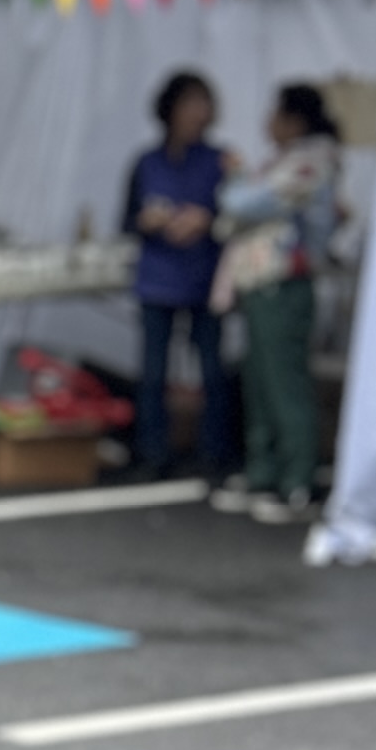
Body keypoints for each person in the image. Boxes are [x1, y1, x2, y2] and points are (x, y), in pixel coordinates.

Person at [210, 81, 343, 525]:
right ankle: (263, 472)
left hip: (285, 285)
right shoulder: (285, 161)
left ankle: (297, 480)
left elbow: (245, 205)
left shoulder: (312, 162)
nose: (268, 121)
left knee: (285, 382)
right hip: (262, 284)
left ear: (295, 120)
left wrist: (236, 178)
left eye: (275, 113)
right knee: (260, 381)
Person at [120, 69, 234, 479]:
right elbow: (127, 221)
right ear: (170, 110)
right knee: (153, 373)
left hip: (205, 280)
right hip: (158, 279)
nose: (198, 113)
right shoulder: (147, 162)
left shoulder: (221, 161)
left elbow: (238, 217)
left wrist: (207, 221)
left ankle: (213, 453)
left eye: (204, 104)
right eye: (190, 104)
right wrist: (149, 221)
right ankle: (152, 453)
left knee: (212, 371)